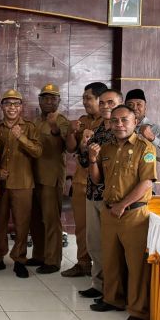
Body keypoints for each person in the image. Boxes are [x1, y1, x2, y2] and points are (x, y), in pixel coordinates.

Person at [87, 105, 157, 320]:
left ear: (135, 122)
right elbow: (97, 180)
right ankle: (113, 299)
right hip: (110, 211)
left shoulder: (145, 148)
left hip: (134, 214)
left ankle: (138, 310)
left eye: (124, 120)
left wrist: (123, 204)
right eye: (114, 121)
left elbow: (146, 182)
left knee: (136, 265)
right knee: (111, 259)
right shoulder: (106, 148)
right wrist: (93, 160)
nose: (119, 125)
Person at [0, 89, 42, 276]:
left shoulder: (30, 128)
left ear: (21, 107)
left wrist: (21, 138)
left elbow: (38, 152)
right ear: (1, 106)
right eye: (8, 103)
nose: (12, 107)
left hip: (23, 183)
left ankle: (20, 259)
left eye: (16, 104)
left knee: (22, 223)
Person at [77, 88, 123, 299]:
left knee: (112, 246)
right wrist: (84, 146)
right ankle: (98, 285)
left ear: (120, 104)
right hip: (93, 193)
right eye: (102, 103)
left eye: (110, 103)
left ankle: (113, 290)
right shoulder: (96, 131)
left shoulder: (124, 132)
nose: (105, 106)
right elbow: (84, 162)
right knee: (94, 242)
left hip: (114, 198)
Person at [63, 82, 107, 277]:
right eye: (83, 98)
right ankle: (83, 263)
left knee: (102, 229)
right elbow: (71, 148)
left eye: (88, 98)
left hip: (102, 184)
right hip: (81, 182)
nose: (84, 102)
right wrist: (72, 132)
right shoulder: (82, 120)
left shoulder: (109, 123)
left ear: (100, 99)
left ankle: (102, 269)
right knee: (81, 226)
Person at [29, 83, 70, 275]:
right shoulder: (35, 121)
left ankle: (53, 260)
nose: (48, 102)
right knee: (36, 219)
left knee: (51, 220)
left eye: (53, 98)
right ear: (39, 101)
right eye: (45, 98)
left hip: (51, 178)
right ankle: (39, 255)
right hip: (33, 177)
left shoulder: (62, 121)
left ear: (58, 101)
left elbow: (66, 145)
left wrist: (54, 128)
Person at [124, 89, 160, 163]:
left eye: (139, 104)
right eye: (130, 105)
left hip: (145, 170)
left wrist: (151, 138)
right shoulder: (119, 127)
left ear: (145, 108)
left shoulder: (155, 129)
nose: (134, 108)